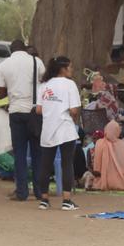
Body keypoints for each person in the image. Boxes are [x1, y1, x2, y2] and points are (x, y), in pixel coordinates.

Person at [0, 39, 46, 201]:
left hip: (16, 112)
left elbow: (0, 94)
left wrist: (14, 86)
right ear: (25, 48)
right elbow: (44, 83)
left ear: (11, 50)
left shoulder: (4, 65)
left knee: (20, 154)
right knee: (38, 153)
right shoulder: (36, 62)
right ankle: (39, 191)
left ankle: (22, 192)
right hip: (35, 112)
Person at [35, 56, 81, 211]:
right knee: (67, 163)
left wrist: (52, 110)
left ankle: (44, 199)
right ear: (64, 69)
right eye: (71, 67)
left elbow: (39, 110)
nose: (72, 70)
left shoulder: (44, 85)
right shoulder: (70, 85)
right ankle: (67, 200)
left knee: (45, 164)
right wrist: (72, 117)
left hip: (48, 129)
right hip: (65, 129)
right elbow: (74, 110)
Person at [91, 121, 124, 191]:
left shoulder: (99, 143)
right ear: (117, 131)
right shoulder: (123, 145)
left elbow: (96, 169)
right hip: (123, 182)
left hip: (101, 182)